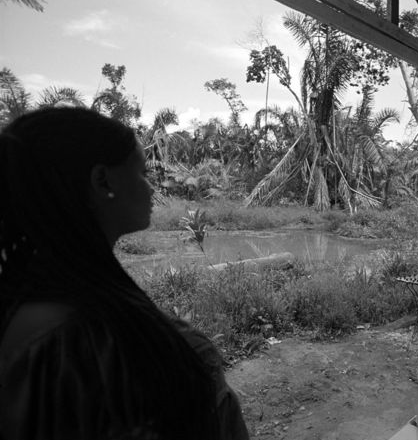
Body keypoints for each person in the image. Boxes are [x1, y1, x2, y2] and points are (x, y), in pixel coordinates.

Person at [0, 108, 250, 440]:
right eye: (143, 173)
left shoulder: (20, 304)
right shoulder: (107, 343)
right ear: (102, 180)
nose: (151, 189)